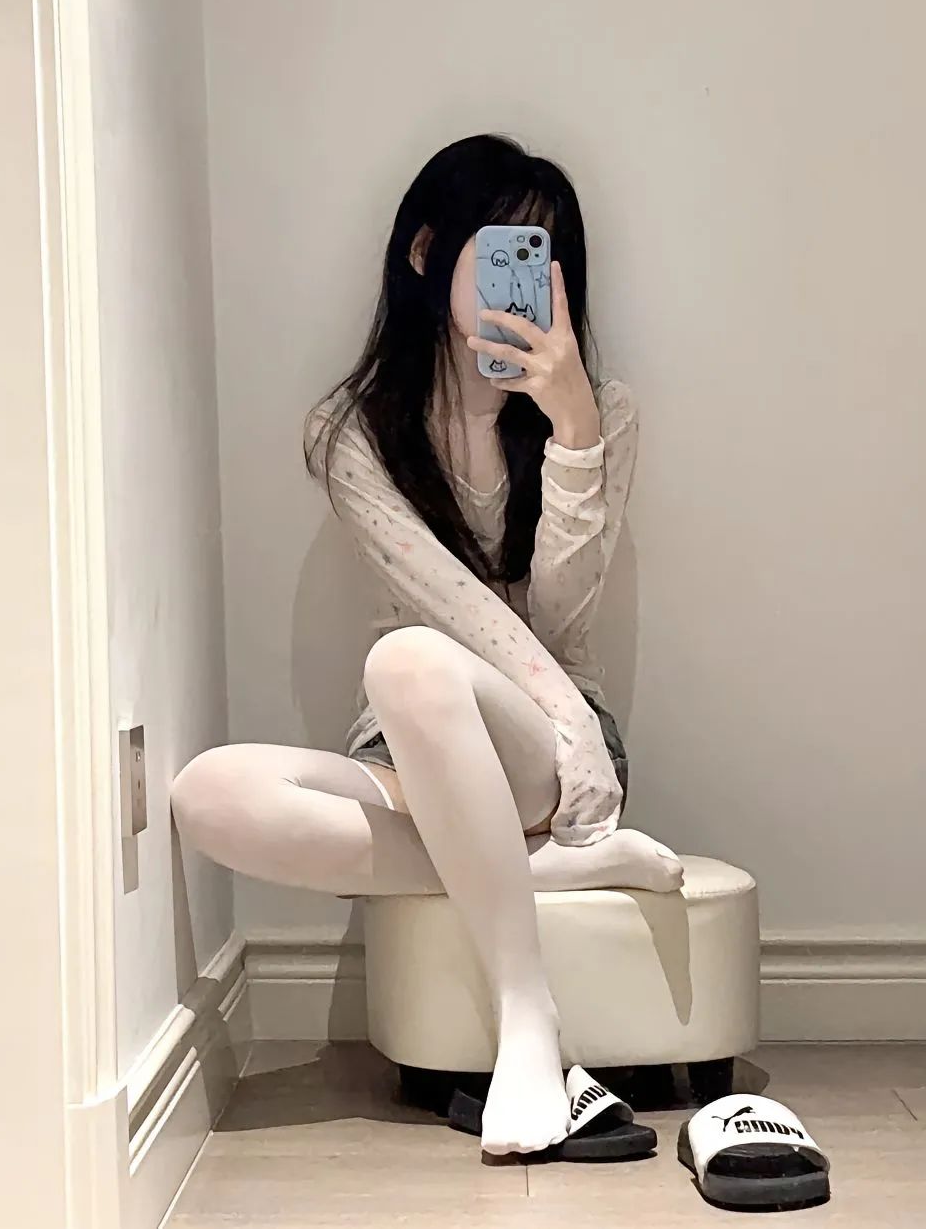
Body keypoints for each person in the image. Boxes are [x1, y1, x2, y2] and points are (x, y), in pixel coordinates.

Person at [172, 134, 682, 1157]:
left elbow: (559, 618)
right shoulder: (353, 432)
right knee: (205, 793)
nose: (523, 281)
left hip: (548, 742)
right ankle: (545, 870)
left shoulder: (603, 416)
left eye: (545, 258)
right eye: (501, 251)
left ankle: (527, 1019)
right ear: (425, 253)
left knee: (404, 657)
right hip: (412, 750)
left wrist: (572, 429)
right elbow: (444, 599)